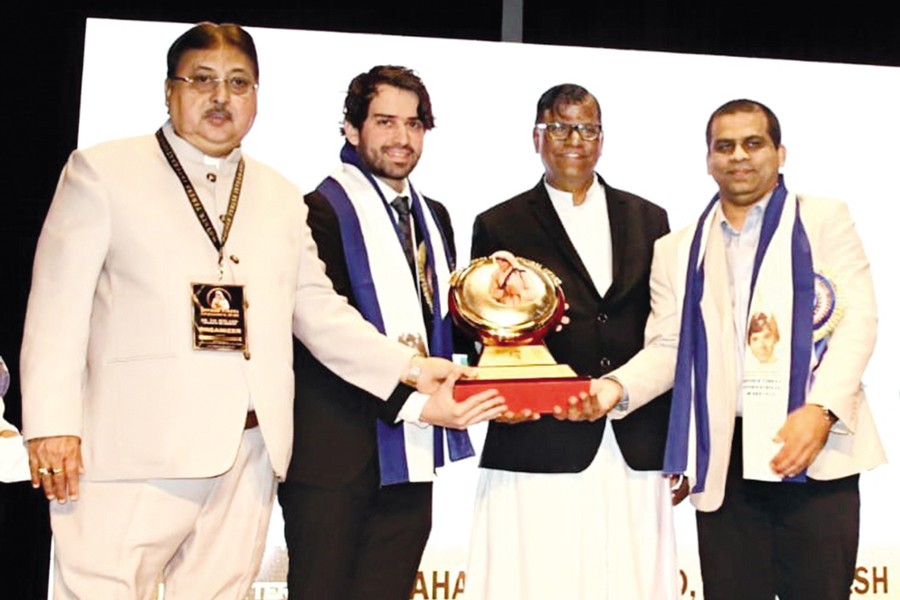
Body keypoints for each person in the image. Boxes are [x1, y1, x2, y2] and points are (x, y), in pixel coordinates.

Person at [20, 25, 458, 600]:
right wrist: (52, 427)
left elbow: (318, 309)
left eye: (238, 83)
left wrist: (408, 368)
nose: (220, 97)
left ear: (256, 96)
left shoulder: (278, 193)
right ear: (170, 91)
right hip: (131, 450)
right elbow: (57, 307)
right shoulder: (103, 172)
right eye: (202, 80)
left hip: (248, 453)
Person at [603, 99, 886, 600]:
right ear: (708, 159)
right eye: (724, 146)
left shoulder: (822, 219)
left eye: (753, 143)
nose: (739, 156)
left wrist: (820, 412)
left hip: (813, 450)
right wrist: (613, 389)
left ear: (780, 153)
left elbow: (858, 322)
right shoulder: (677, 249)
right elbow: (669, 346)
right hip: (725, 457)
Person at [278, 65, 505, 600]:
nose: (402, 138)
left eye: (415, 123)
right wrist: (412, 397)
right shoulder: (314, 212)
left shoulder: (436, 218)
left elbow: (442, 327)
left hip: (410, 458)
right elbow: (324, 335)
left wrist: (499, 312)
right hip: (335, 458)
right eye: (385, 121)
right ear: (351, 129)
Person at [465, 83, 680, 600]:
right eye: (559, 127)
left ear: (602, 139)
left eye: (586, 128)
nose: (573, 139)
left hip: (634, 437)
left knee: (633, 584)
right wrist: (501, 399)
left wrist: (681, 444)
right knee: (538, 582)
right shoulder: (499, 223)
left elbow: (670, 334)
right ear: (536, 137)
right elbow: (486, 337)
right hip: (538, 439)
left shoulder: (650, 219)